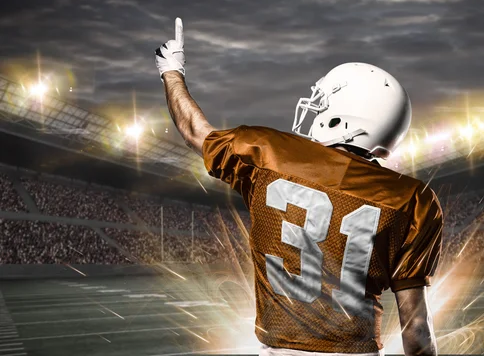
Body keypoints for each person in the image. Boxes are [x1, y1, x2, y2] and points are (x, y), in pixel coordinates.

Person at [155, 18, 443, 356]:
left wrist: (171, 72)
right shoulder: (413, 199)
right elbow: (417, 332)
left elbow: (194, 131)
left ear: (342, 116)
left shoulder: (266, 153)